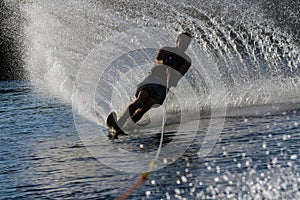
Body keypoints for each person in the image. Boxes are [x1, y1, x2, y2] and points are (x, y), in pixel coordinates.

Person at [107, 32, 192, 137]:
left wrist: (172, 72)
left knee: (146, 107)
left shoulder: (187, 60)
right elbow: (157, 61)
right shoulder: (166, 50)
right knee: (141, 99)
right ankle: (119, 123)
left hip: (164, 86)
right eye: (182, 41)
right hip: (152, 79)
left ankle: (127, 126)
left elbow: (180, 74)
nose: (184, 44)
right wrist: (164, 63)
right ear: (177, 40)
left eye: (187, 43)